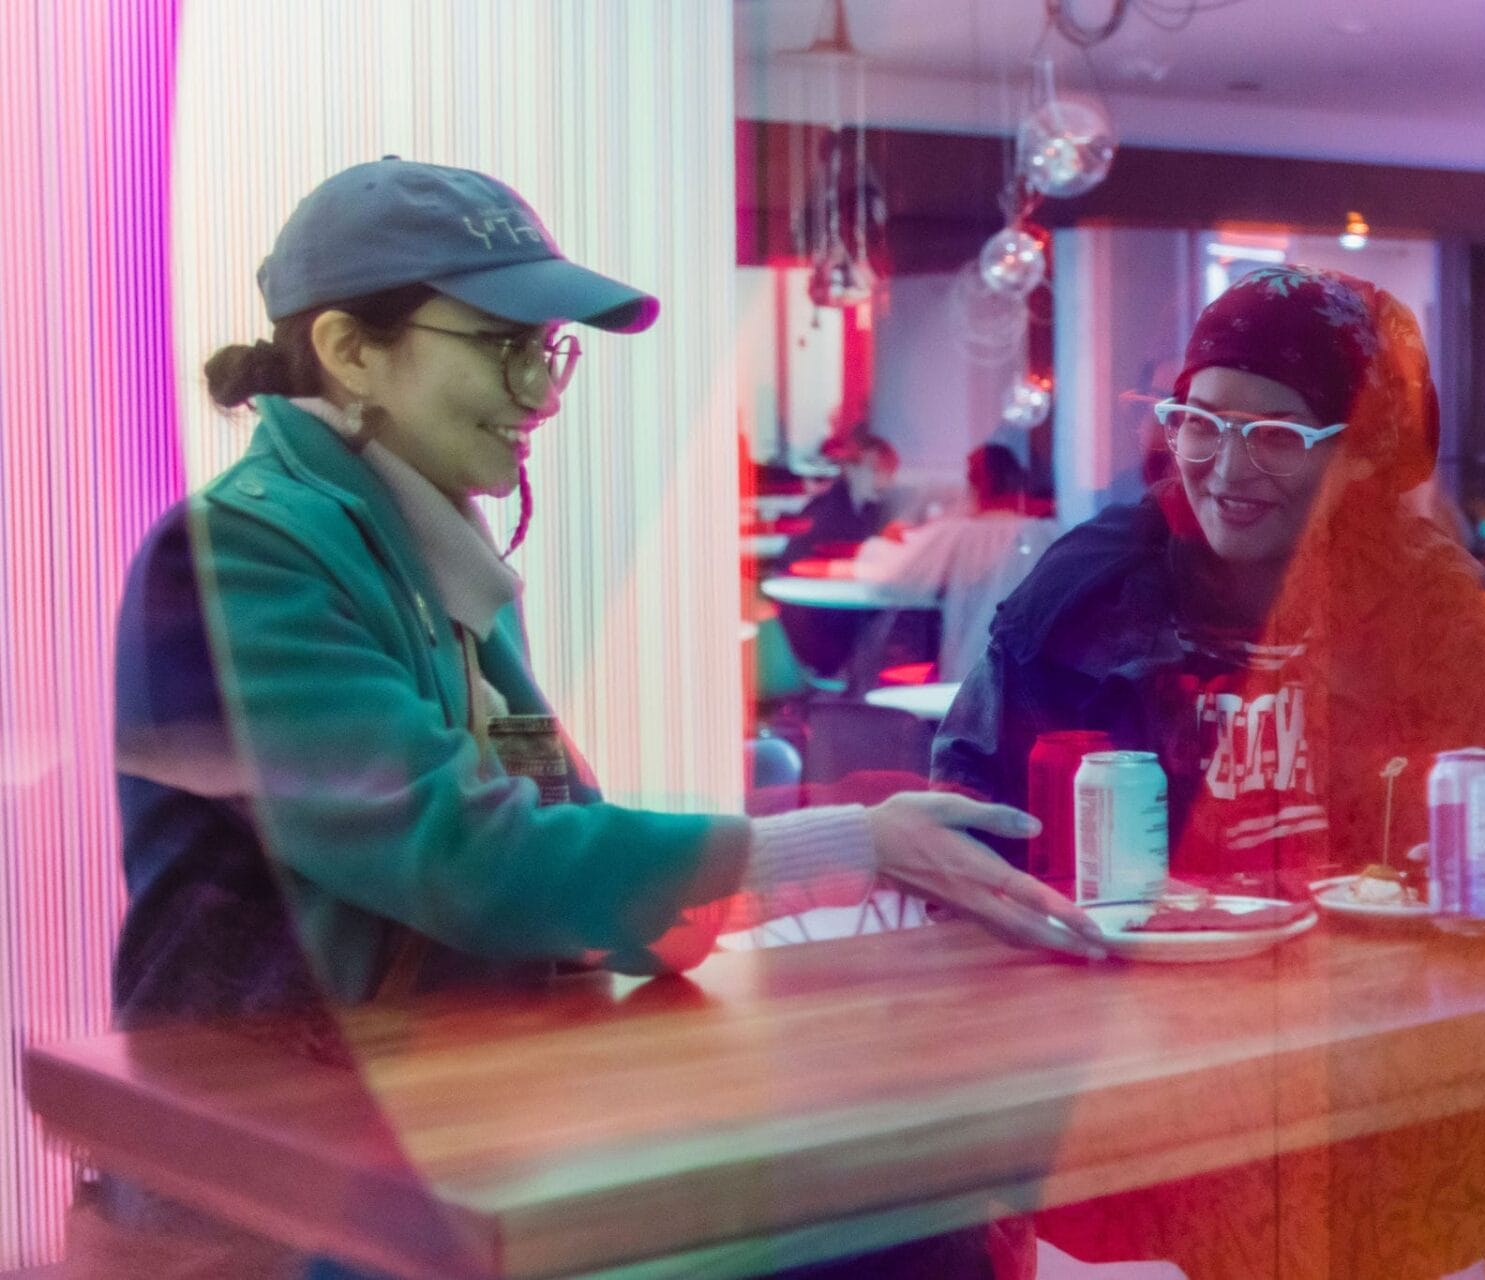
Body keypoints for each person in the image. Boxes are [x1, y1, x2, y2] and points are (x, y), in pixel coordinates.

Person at [97, 158, 1101, 1279]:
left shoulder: (431, 549)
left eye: (549, 349)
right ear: (348, 348)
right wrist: (845, 845)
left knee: (912, 1209)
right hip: (284, 1181)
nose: (542, 390)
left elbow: (558, 831)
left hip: (454, 1111)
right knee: (890, 1233)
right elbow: (469, 858)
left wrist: (826, 853)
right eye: (503, 345)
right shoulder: (237, 555)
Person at [934, 264, 1485, 1278]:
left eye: (1278, 435)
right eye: (1200, 423)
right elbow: (963, 815)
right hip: (1174, 1074)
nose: (1225, 466)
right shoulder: (1087, 591)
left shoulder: (1437, 592)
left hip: (1405, 1066)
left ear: (1364, 452)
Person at [848, 444, 1061, 681]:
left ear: (981, 482)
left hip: (971, 672)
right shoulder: (1048, 533)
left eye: (971, 475)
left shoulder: (961, 535)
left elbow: (888, 575)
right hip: (1033, 675)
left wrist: (887, 541)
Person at [781, 430, 899, 564]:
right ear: (851, 469)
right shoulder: (821, 515)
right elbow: (793, 564)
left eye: (890, 474)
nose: (886, 482)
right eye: (876, 471)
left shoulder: (874, 511)